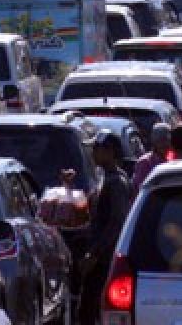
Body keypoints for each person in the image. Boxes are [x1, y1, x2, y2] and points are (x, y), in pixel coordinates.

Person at [78, 131, 132, 325]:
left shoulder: (117, 183)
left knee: (93, 310)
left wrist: (95, 254)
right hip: (99, 257)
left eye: (97, 148)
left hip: (105, 260)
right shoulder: (104, 177)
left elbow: (116, 223)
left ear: (110, 152)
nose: (93, 153)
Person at [130, 123, 172, 191]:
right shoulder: (145, 162)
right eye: (161, 140)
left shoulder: (173, 159)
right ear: (154, 142)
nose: (165, 144)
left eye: (167, 140)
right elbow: (140, 189)